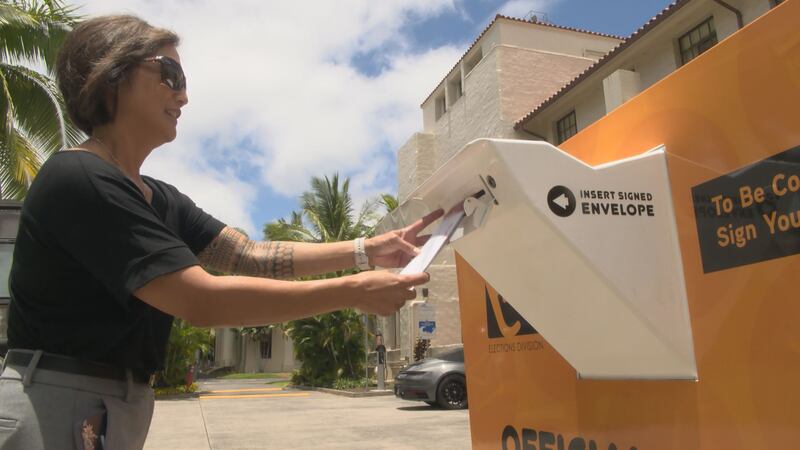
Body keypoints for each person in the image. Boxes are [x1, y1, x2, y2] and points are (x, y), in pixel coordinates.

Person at [0, 14, 442, 450]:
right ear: (112, 74)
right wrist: (354, 291)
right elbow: (201, 300)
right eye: (170, 74)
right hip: (56, 401)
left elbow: (250, 255)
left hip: (113, 408)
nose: (184, 96)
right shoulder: (79, 177)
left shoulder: (159, 197)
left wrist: (368, 249)